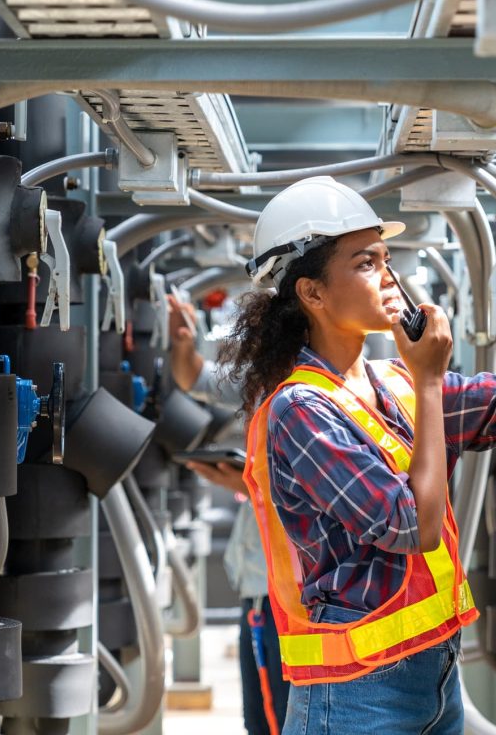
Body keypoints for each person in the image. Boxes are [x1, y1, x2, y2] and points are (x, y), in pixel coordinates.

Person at [217, 176, 496, 735]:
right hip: (356, 699)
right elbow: (413, 526)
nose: (388, 277)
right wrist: (430, 380)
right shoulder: (300, 411)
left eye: (385, 258)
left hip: (435, 677)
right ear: (312, 293)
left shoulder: (392, 383)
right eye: (365, 263)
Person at [168, 296, 290, 735]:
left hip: (282, 596)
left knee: (274, 721)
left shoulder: (312, 397)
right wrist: (182, 343)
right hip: (259, 590)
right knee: (263, 717)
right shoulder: (265, 384)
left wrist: (246, 485)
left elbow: (319, 495)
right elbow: (194, 376)